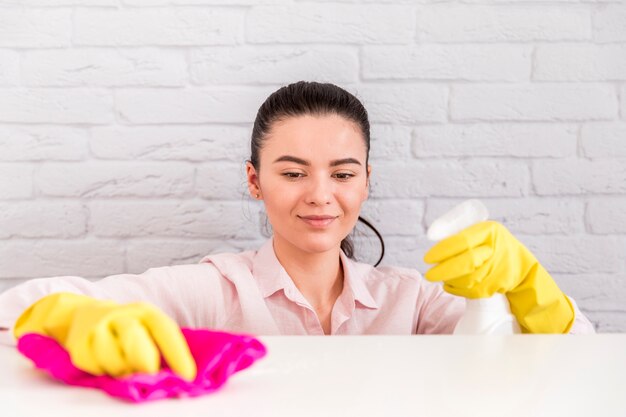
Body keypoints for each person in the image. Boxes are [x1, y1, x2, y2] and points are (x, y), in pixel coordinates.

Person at [0, 81, 595, 381]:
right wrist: (69, 317)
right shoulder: (216, 291)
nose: (320, 194)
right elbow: (12, 313)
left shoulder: (408, 300)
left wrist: (527, 286)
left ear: (366, 180)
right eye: (292, 172)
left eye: (342, 173)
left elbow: (577, 364)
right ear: (255, 181)